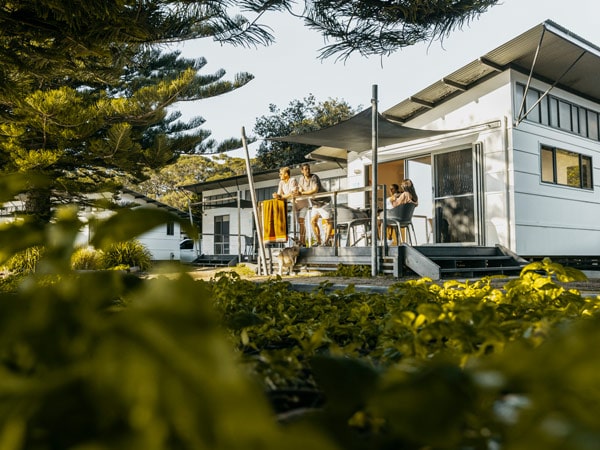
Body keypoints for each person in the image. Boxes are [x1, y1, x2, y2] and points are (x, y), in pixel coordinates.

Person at [297, 163, 332, 246]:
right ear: (302, 171)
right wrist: (298, 192)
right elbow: (300, 189)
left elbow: (314, 190)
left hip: (324, 202)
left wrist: (302, 193)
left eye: (308, 169)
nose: (307, 170)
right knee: (313, 221)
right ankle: (319, 241)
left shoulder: (314, 177)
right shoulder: (301, 179)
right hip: (315, 204)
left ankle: (326, 242)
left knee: (328, 221)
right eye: (305, 169)